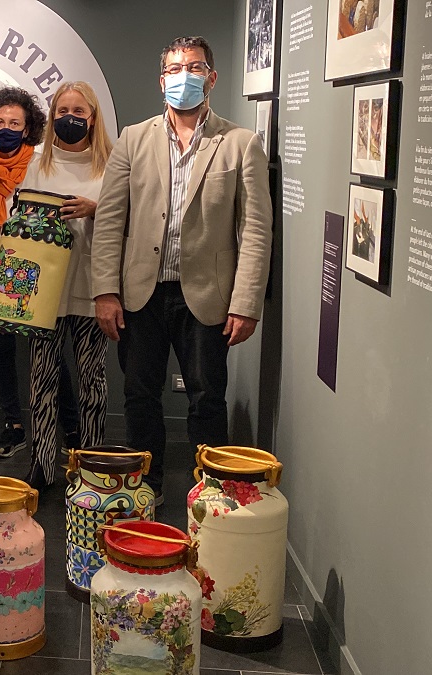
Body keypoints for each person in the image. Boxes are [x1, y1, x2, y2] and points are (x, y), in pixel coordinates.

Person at [92, 36, 273, 504]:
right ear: (162, 80)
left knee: (207, 399)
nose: (184, 77)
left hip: (206, 296)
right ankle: (144, 491)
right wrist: (105, 292)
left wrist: (246, 303)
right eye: (175, 69)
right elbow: (111, 220)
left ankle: (210, 495)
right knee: (139, 397)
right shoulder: (133, 139)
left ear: (211, 77)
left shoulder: (240, 144)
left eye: (194, 67)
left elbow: (255, 230)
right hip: (141, 294)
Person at [0, 86, 79, 459]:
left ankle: (70, 425)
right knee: (0, 353)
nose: (6, 128)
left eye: (15, 122)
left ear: (28, 128)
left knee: (47, 350)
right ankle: (13, 426)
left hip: (29, 271)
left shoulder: (43, 165)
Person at [19, 81, 114, 490]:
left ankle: (90, 460)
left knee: (92, 378)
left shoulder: (110, 165)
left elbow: (129, 220)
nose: (69, 118)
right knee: (42, 377)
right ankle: (42, 461)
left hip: (93, 285)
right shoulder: (38, 163)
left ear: (93, 118)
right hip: (46, 290)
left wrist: (97, 210)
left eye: (78, 111)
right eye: (61, 111)